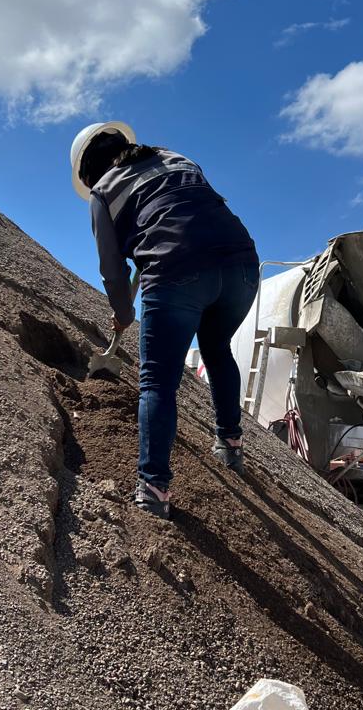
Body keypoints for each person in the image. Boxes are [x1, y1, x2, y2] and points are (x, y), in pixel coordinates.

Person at [71, 121, 259, 519]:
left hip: (176, 270)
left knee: (157, 380)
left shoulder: (103, 193)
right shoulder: (176, 158)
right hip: (242, 266)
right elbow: (191, 211)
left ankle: (154, 488)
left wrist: (123, 313)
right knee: (217, 349)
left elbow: (112, 270)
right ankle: (230, 444)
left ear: (88, 173)